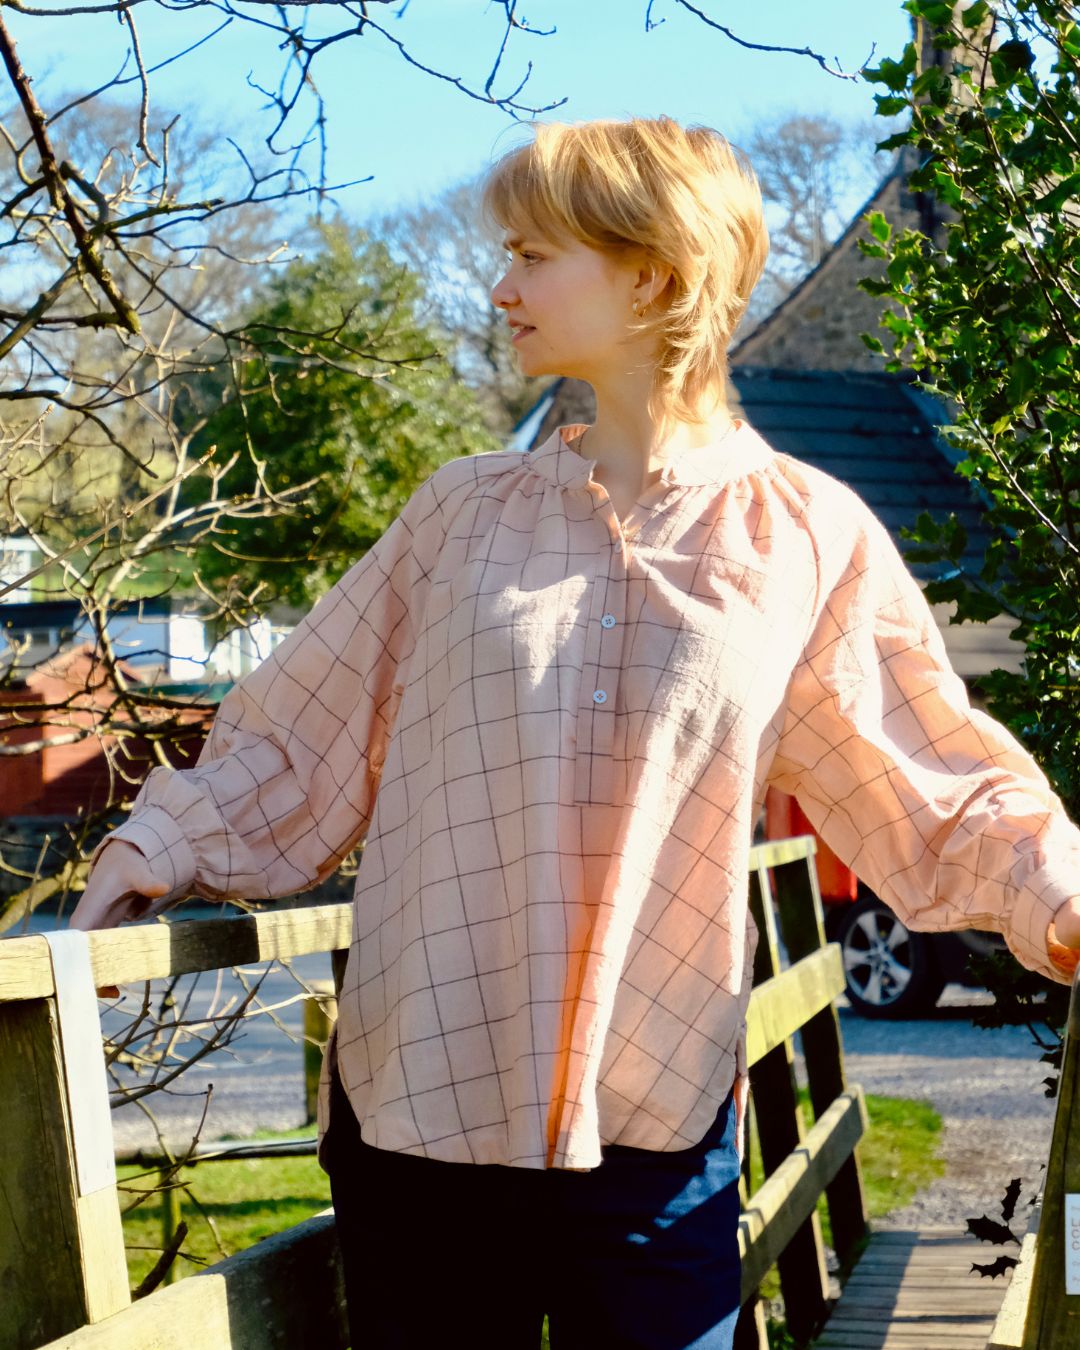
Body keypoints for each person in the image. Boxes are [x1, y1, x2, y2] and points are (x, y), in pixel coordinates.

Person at [70, 116, 1080, 1350]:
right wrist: (159, 841)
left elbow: (926, 764)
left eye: (535, 255)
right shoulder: (459, 516)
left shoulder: (804, 537)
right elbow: (303, 724)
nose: (499, 287)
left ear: (654, 272)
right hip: (419, 1125)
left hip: (659, 1143)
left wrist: (1054, 887)